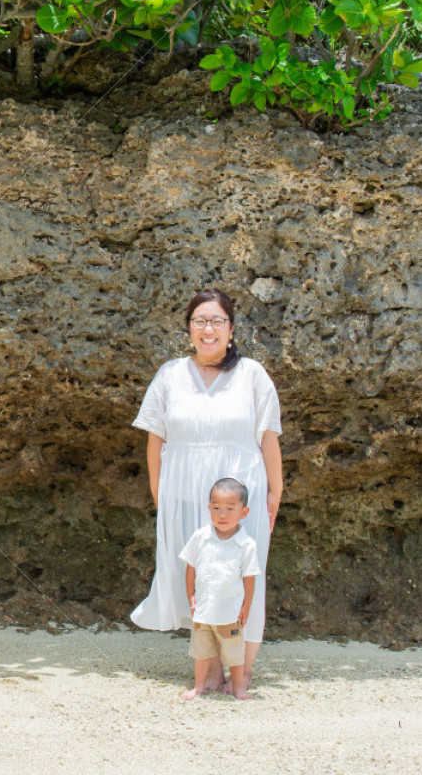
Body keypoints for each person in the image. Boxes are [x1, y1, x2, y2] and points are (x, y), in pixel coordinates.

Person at [131, 287, 283, 690]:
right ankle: (211, 665)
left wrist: (275, 490)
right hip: (185, 495)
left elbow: (268, 437)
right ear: (189, 328)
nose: (208, 328)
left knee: (244, 573)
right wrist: (160, 496)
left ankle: (243, 668)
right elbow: (155, 442)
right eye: (200, 320)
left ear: (231, 328)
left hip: (240, 495)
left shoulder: (252, 374)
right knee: (203, 578)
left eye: (217, 320)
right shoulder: (170, 375)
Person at [179, 478, 261, 701]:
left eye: (229, 509)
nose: (222, 515)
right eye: (216, 508)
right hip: (203, 610)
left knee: (235, 654)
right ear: (209, 508)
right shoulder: (201, 537)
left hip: (230, 611)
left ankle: (238, 688)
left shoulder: (246, 544)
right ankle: (198, 687)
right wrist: (191, 596)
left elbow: (249, 579)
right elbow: (190, 568)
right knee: (201, 651)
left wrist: (246, 606)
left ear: (244, 512)